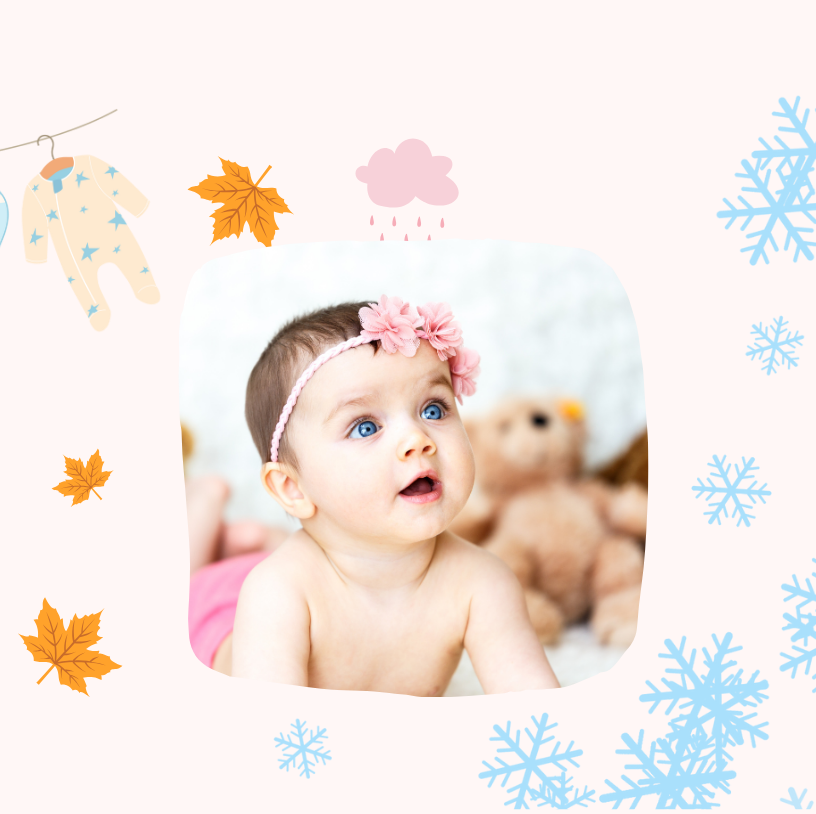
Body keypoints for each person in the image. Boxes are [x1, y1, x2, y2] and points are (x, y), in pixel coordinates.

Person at [187, 297, 558, 695]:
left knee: (292, 541)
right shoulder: (276, 592)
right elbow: (270, 729)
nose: (417, 440)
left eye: (433, 409)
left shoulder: (484, 583)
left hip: (307, 548)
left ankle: (255, 540)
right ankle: (205, 501)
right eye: (365, 427)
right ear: (292, 488)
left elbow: (536, 709)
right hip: (214, 607)